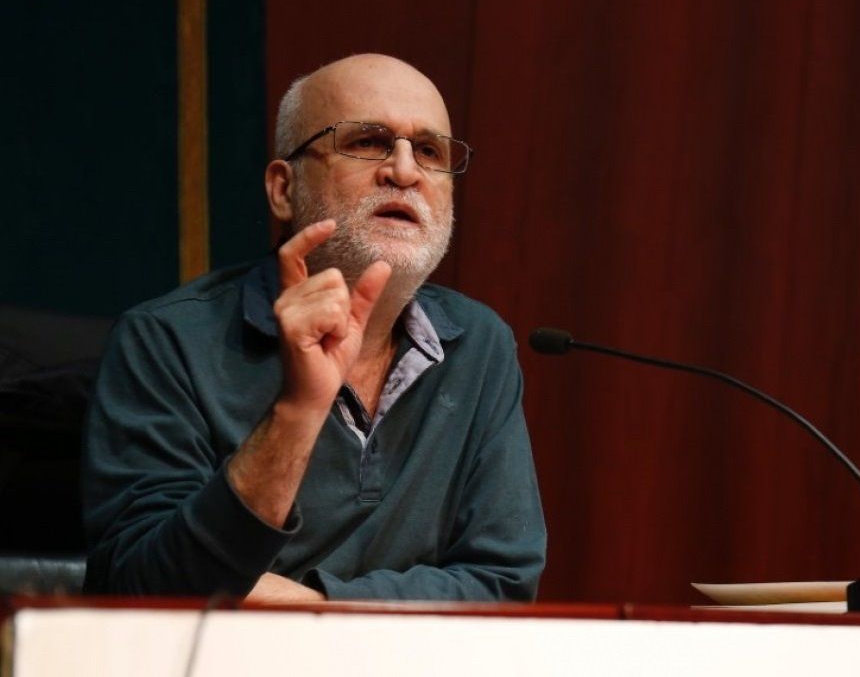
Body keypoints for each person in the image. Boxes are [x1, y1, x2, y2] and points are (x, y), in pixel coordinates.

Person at [81, 54, 546, 602]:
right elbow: (149, 593)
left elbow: (504, 585)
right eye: (369, 142)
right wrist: (299, 409)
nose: (404, 171)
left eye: (429, 151)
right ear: (283, 189)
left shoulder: (480, 344)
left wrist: (317, 609)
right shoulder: (164, 342)